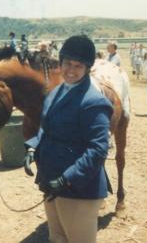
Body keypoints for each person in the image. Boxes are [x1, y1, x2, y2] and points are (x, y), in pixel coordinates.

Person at [24, 35, 112, 243]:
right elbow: (46, 129)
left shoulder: (93, 102)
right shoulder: (55, 92)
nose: (71, 70)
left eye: (78, 66)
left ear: (87, 68)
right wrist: (31, 148)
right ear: (60, 62)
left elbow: (98, 150)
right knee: (57, 238)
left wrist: (67, 178)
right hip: (50, 181)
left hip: (78, 189)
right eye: (67, 63)